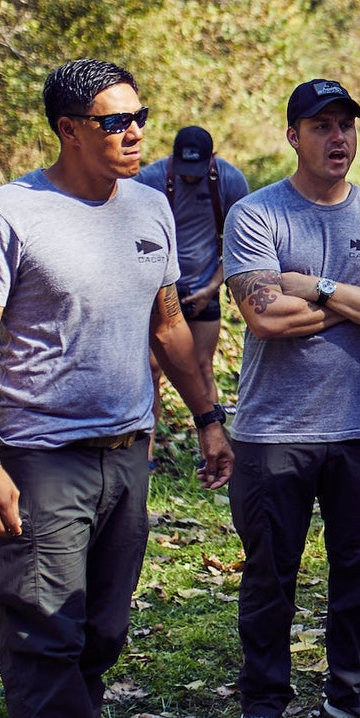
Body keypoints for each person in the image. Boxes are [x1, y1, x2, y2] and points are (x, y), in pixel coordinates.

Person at [0, 59, 234, 718]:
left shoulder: (150, 206)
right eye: (114, 121)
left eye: (138, 115)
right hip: (38, 460)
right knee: (45, 637)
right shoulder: (10, 213)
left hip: (127, 454)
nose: (135, 130)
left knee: (98, 635)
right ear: (70, 128)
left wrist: (208, 416)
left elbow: (168, 322)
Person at [223, 78, 360, 718]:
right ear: (293, 136)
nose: (337, 138)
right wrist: (358, 296)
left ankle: (354, 690)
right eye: (320, 126)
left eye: (345, 125)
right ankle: (261, 703)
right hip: (272, 432)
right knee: (269, 575)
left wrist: (312, 284)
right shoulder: (255, 215)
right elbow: (263, 315)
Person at [133, 125, 250, 466]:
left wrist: (212, 287)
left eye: (196, 173)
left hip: (204, 286)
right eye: (183, 171)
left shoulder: (230, 181)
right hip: (157, 289)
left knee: (202, 368)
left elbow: (241, 245)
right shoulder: (149, 180)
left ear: (212, 159)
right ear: (173, 158)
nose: (188, 179)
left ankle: (211, 449)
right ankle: (147, 455)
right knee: (151, 369)